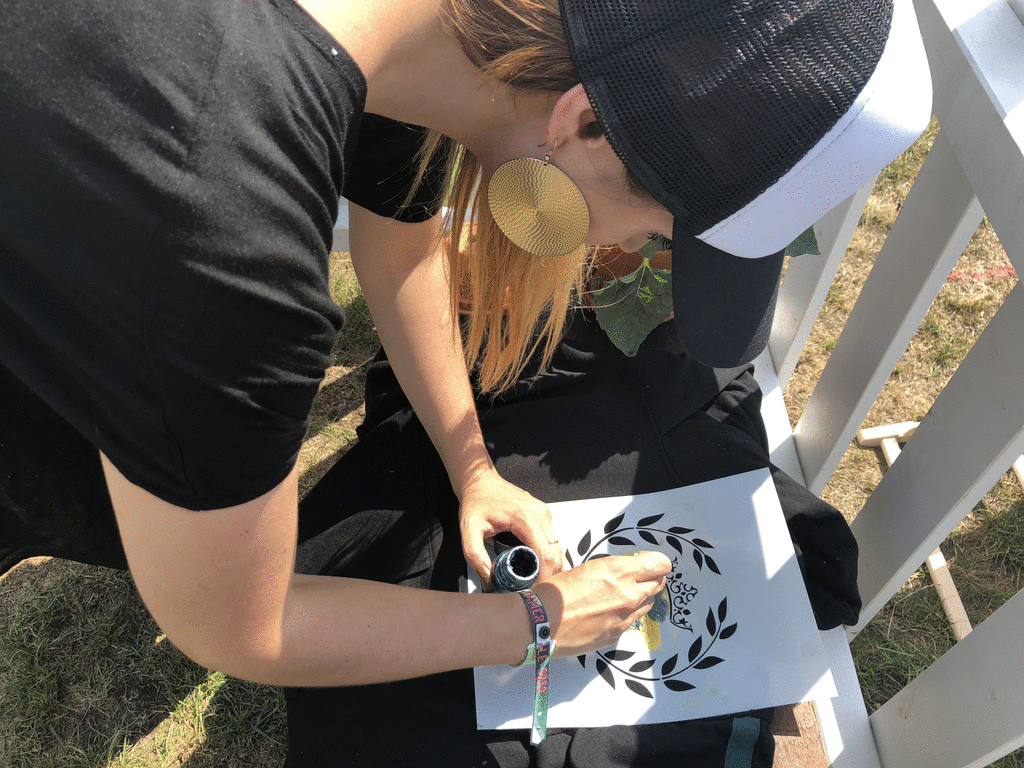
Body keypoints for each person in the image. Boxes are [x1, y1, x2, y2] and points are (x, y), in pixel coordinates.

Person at [1, 0, 928, 703]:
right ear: (586, 124)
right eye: (655, 232)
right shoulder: (222, 244)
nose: (629, 251)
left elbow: (401, 245)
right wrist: (535, 623)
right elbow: (241, 625)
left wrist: (472, 463)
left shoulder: (422, 38)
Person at [283, 242, 861, 767]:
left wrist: (477, 483)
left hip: (507, 362)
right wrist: (532, 623)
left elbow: (275, 618)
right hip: (552, 358)